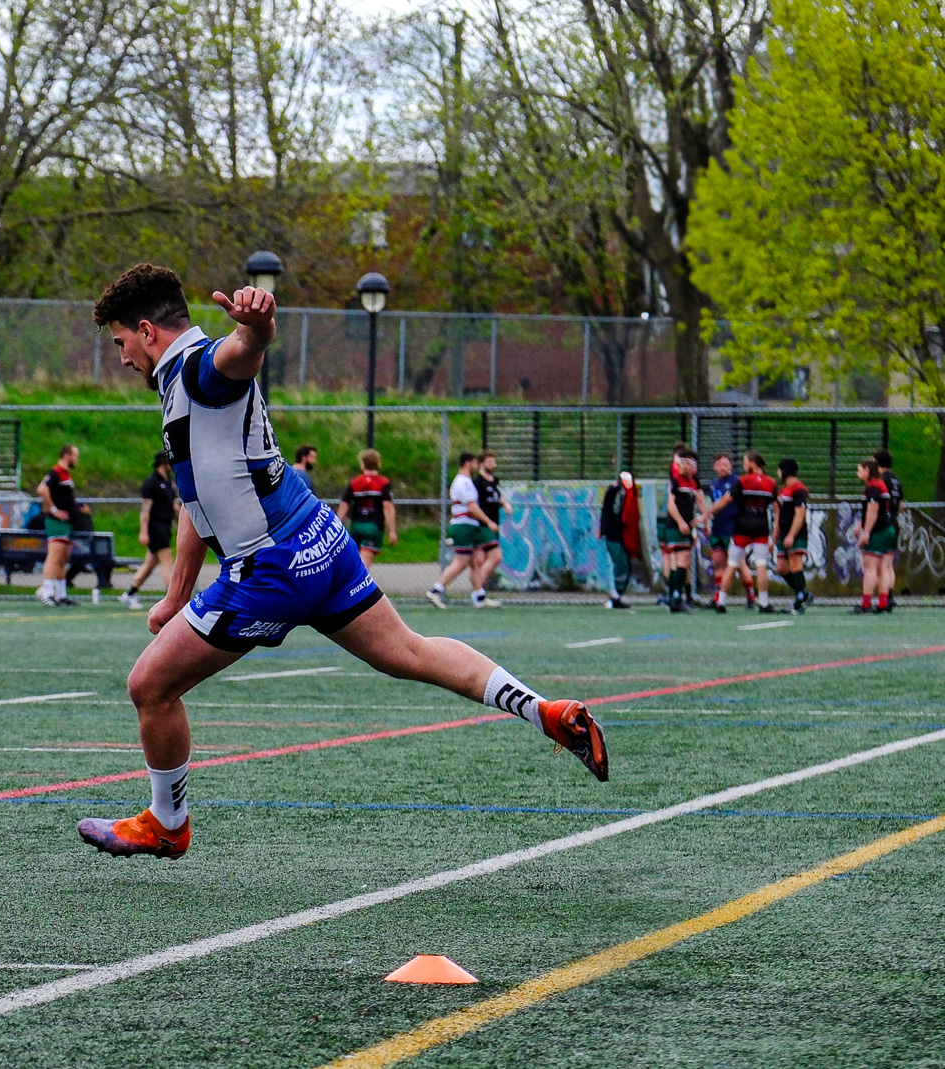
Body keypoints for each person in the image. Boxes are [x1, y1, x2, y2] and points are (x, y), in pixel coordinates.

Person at [76, 263, 606, 859]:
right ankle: (545, 711)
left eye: (121, 342)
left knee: (149, 686)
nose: (122, 359)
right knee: (410, 651)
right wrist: (176, 596)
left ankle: (168, 824)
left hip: (271, 566)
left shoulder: (195, 368)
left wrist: (259, 328)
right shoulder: (181, 381)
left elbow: (238, 356)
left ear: (147, 331)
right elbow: (196, 495)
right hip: (320, 537)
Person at [426, 453, 502, 609]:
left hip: (469, 525)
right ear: (468, 463)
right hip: (463, 526)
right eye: (474, 463)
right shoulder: (463, 482)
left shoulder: (465, 481)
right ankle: (435, 590)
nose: (476, 466)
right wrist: (489, 522)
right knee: (461, 562)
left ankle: (479, 596)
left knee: (475, 562)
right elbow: (472, 506)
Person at [122, 452, 180, 610]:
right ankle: (173, 598)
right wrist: (144, 531)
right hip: (156, 527)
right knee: (167, 561)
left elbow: (175, 505)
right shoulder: (151, 483)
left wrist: (182, 523)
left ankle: (130, 593)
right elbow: (145, 510)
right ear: (163, 463)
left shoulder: (168, 482)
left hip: (165, 526)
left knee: (150, 564)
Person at [36, 444, 88, 606]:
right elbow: (42, 489)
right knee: (54, 557)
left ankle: (61, 594)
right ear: (67, 455)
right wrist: (54, 510)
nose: (76, 459)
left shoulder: (66, 474)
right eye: (75, 455)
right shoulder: (56, 472)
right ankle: (47, 592)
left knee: (63, 559)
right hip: (56, 522)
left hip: (67, 523)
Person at [702, 453, 754, 610]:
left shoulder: (737, 482)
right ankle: (717, 597)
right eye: (719, 464)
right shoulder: (714, 484)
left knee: (739, 563)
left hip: (732, 528)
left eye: (725, 464)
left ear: (731, 465)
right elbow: (711, 503)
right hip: (718, 527)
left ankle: (751, 596)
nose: (722, 467)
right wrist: (707, 523)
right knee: (718, 562)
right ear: (714, 467)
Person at [730, 451, 778, 614]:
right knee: (761, 565)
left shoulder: (742, 481)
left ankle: (721, 600)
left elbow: (726, 500)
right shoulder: (770, 483)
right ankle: (764, 603)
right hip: (760, 527)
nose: (744, 465)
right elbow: (777, 510)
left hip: (742, 526)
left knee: (732, 564)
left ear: (752, 463)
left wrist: (708, 513)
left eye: (745, 462)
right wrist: (775, 535)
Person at [657, 447, 700, 612]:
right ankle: (676, 598)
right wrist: (681, 522)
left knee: (678, 563)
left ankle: (673, 598)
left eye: (686, 463)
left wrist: (703, 519)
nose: (682, 466)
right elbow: (671, 504)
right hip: (676, 527)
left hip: (685, 527)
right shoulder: (676, 482)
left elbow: (699, 503)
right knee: (682, 560)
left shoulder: (692, 483)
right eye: (681, 463)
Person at [338, 448, 396, 568]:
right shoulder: (383, 483)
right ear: (378, 463)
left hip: (356, 525)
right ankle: (359, 585)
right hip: (373, 527)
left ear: (362, 464)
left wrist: (337, 523)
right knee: (363, 566)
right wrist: (392, 531)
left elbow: (344, 504)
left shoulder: (355, 482)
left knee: (354, 562)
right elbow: (387, 507)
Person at [855, 456, 897, 614]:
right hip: (889, 528)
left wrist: (866, 533)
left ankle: (866, 604)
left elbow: (873, 510)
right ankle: (883, 604)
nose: (857, 473)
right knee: (884, 567)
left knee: (870, 567)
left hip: (878, 530)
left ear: (867, 470)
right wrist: (860, 524)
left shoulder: (872, 487)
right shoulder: (881, 484)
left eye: (859, 470)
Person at [773, 458, 812, 615]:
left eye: (779, 469)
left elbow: (800, 513)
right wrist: (775, 537)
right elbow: (779, 515)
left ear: (785, 471)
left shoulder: (799, 489)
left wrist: (791, 535)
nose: (778, 473)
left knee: (796, 566)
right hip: (783, 533)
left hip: (796, 534)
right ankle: (805, 593)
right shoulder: (783, 490)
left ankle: (799, 601)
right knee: (781, 569)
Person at [600, 470, 642, 609]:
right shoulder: (615, 492)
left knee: (623, 564)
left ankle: (617, 594)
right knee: (619, 564)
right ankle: (615, 595)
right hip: (614, 533)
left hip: (620, 533)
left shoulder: (625, 493)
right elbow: (609, 511)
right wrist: (603, 528)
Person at [470, 450, 506, 608]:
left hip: (493, 524)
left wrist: (505, 504)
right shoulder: (477, 482)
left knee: (481, 560)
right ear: (481, 464)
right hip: (483, 525)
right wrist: (486, 521)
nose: (493, 464)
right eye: (489, 462)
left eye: (494, 461)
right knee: (495, 556)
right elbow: (473, 504)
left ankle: (480, 594)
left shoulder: (495, 480)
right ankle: (478, 592)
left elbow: (498, 497)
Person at [874, 448, 903, 610]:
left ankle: (885, 596)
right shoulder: (896, 481)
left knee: (880, 565)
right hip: (894, 522)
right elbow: (900, 504)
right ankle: (890, 595)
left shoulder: (881, 481)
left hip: (883, 524)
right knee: (888, 563)